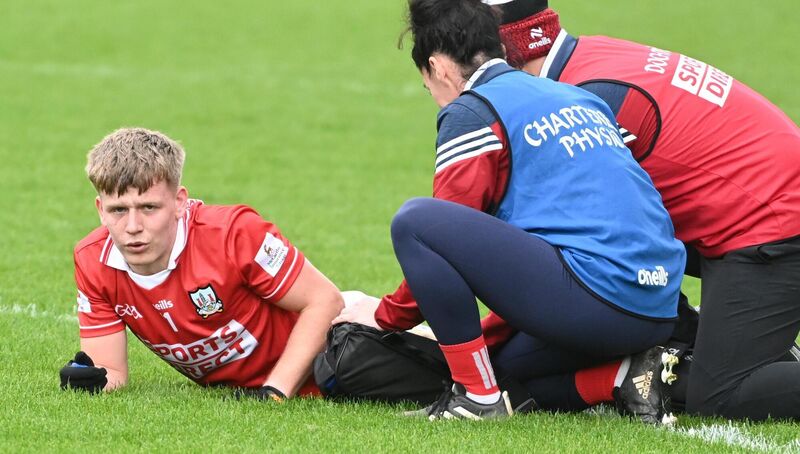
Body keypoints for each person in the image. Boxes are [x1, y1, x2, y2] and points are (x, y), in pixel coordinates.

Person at [334, 0, 685, 423]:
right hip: (657, 306)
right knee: (503, 371)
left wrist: (383, 316)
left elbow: (442, 235)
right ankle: (622, 376)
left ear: (438, 68)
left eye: (428, 86)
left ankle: (476, 399)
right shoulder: (575, 94)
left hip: (597, 299)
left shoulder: (472, 110)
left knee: (416, 222)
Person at [476, 0, 800, 421]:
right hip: (754, 211)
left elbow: (584, 249)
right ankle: (718, 334)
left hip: (772, 226)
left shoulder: (587, 100)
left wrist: (473, 340)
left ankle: (735, 342)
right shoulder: (588, 57)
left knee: (720, 396)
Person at [60, 128, 343, 399]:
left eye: (149, 208)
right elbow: (111, 371)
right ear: (100, 210)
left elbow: (325, 301)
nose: (132, 226)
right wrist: (89, 380)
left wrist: (275, 391)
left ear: (179, 202)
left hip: (342, 355)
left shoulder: (233, 234)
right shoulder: (93, 260)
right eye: (118, 210)